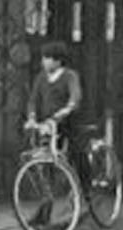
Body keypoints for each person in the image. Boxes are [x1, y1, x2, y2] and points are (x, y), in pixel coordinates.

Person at [23, 40, 91, 187]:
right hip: (50, 123)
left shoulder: (69, 76)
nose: (44, 61)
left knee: (77, 152)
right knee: (44, 154)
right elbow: (33, 99)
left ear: (58, 61)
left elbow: (75, 95)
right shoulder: (41, 78)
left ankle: (85, 189)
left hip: (68, 121)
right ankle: (47, 194)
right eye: (44, 58)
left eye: (48, 58)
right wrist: (32, 117)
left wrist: (68, 108)